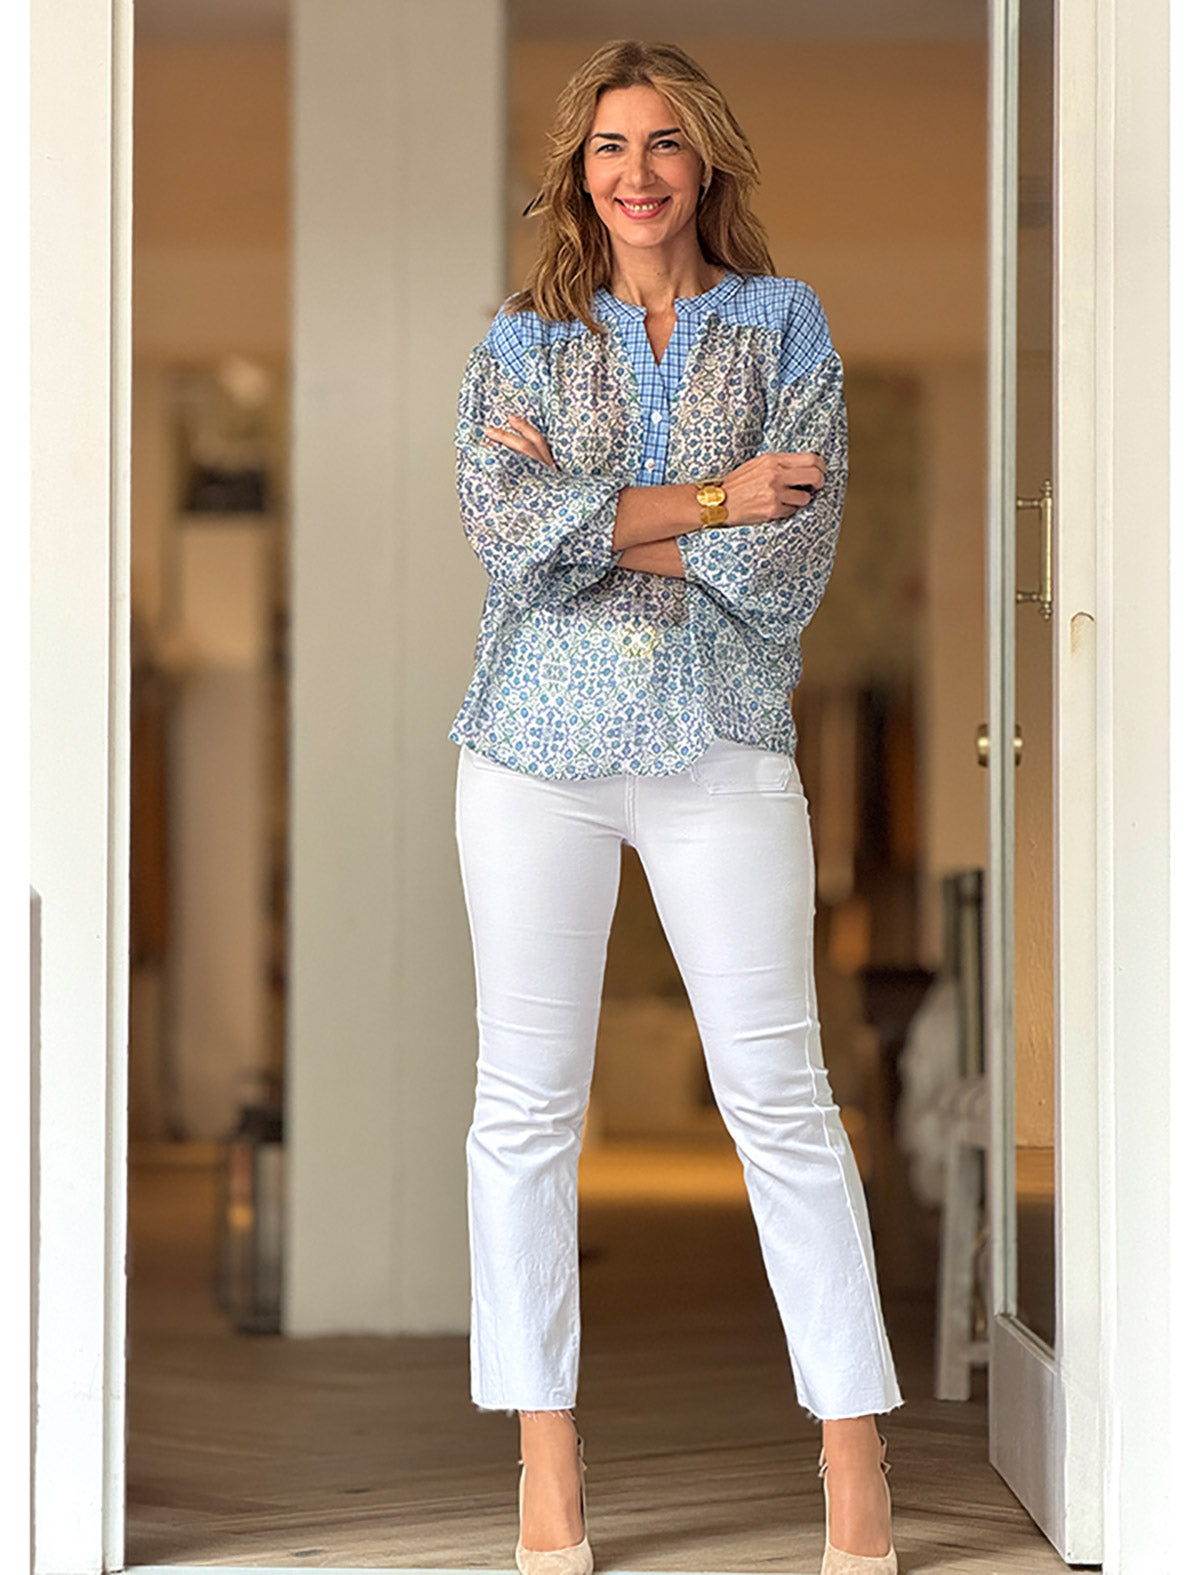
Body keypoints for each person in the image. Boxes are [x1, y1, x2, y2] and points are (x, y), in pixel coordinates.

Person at [449, 38, 904, 1575]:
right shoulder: (522, 341)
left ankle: (854, 1460)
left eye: (661, 143)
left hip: (719, 741)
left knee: (781, 1100)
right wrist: (713, 498)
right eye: (606, 147)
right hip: (531, 750)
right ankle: (546, 1466)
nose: (634, 173)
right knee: (524, 1110)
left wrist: (594, 525)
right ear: (576, 175)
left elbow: (786, 565)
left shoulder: (785, 326)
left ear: (706, 161)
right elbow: (508, 541)